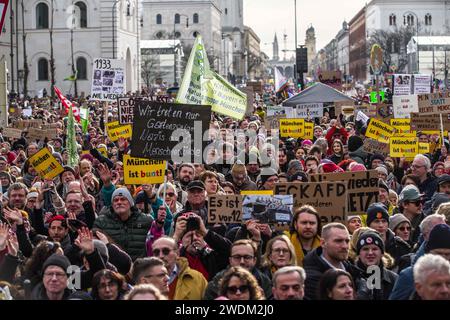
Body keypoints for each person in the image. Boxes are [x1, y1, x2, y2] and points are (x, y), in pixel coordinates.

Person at [93, 187, 153, 260]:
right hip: (113, 268)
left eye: (123, 199)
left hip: (139, 268)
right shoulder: (101, 222)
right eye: (115, 200)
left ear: (130, 203)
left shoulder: (146, 221)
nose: (119, 202)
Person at [303, 223, 359, 300]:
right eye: (338, 241)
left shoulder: (352, 268)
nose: (345, 246)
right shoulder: (311, 278)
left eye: (347, 241)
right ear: (323, 243)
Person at [204, 239, 272, 300]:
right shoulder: (216, 283)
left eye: (247, 257)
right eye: (237, 257)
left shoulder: (264, 282)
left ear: (254, 260)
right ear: (230, 260)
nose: (242, 261)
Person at [354, 231, 398, 300]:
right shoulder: (351, 278)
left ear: (382, 254)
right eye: (365, 249)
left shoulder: (393, 279)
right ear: (359, 254)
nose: (370, 253)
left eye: (374, 249)